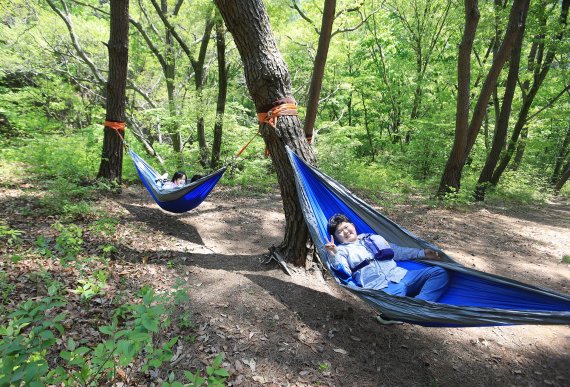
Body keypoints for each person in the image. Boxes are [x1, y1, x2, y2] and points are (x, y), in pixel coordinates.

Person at [325, 214, 449, 305]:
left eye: (346, 227)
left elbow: (397, 251)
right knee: (394, 305)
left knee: (439, 272)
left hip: (403, 276)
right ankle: (405, 310)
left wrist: (422, 253)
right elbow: (344, 272)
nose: (345, 231)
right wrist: (333, 255)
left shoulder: (370, 237)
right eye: (340, 231)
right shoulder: (340, 250)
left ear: (352, 225)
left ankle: (420, 305)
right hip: (381, 287)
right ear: (336, 238)